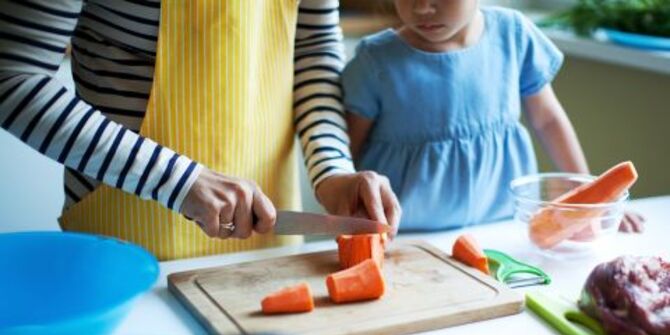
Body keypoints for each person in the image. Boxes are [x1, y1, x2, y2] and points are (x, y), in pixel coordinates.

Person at [0, 0, 401, 260]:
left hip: (265, 242)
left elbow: (311, 49)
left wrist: (333, 169)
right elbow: (12, 76)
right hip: (122, 243)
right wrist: (178, 179)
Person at [341, 0, 643, 232]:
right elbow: (347, 150)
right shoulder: (375, 60)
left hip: (499, 226)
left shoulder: (512, 34)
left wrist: (592, 200)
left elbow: (547, 120)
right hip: (402, 233)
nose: (422, 7)